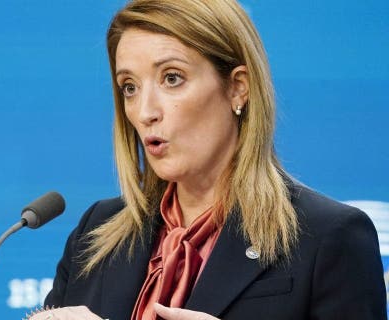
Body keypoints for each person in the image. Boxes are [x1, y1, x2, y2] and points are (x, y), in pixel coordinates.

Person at [27, 0, 386, 319]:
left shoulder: (328, 238)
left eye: (171, 78)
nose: (145, 111)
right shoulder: (97, 233)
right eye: (130, 87)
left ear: (237, 88)